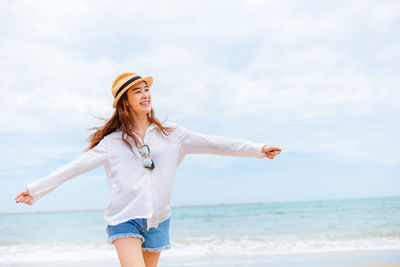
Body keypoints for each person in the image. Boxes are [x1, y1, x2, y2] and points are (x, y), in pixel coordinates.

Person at [15, 72, 282, 267]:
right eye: (138, 91)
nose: (146, 95)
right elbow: (73, 168)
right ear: (125, 101)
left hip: (158, 220)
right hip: (124, 218)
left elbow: (217, 143)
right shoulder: (112, 143)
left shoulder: (174, 135)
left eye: (146, 89)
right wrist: (35, 190)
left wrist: (258, 148)